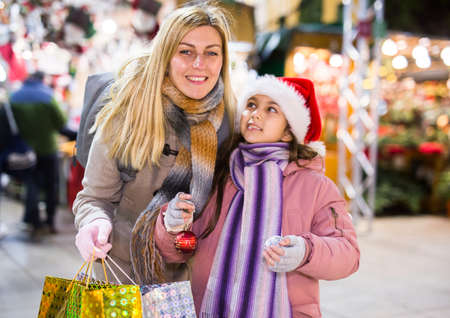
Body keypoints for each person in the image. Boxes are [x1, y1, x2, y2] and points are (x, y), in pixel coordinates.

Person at [155, 75, 360, 317]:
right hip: (208, 308)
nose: (256, 114)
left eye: (271, 109)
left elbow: (348, 255)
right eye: (251, 104)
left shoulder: (316, 187)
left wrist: (306, 251)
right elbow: (183, 249)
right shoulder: (217, 174)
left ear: (288, 132)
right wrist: (173, 227)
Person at [73, 1, 235, 284]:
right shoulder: (128, 112)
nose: (199, 64)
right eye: (186, 51)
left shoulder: (227, 123)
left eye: (211, 53)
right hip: (121, 275)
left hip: (192, 281)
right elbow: (94, 198)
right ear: (166, 55)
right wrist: (94, 223)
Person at [9, 71, 67, 234]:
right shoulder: (47, 96)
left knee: (32, 184)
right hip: (48, 148)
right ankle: (50, 221)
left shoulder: (14, 97)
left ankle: (33, 221)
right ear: (42, 80)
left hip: (25, 150)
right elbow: (61, 122)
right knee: (51, 185)